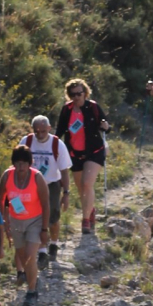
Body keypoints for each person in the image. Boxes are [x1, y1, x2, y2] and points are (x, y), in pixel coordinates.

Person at [55, 78, 110, 235]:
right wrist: (51, 146)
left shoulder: (92, 107)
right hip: (74, 153)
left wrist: (106, 126)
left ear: (85, 93)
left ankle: (85, 220)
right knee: (81, 189)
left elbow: (106, 125)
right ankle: (90, 210)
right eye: (73, 94)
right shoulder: (67, 110)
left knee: (86, 183)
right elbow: (59, 131)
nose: (76, 97)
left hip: (94, 151)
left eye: (79, 93)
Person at [0, 145, 50, 306]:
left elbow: (46, 204)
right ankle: (31, 279)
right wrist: (3, 220)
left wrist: (44, 229)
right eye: (17, 163)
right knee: (21, 256)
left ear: (29, 163)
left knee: (29, 256)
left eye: (23, 163)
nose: (20, 167)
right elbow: (0, 200)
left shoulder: (37, 178)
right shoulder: (7, 176)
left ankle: (32, 291)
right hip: (16, 221)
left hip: (35, 220)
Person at [21, 115, 71, 266]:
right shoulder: (26, 142)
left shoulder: (57, 144)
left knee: (53, 219)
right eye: (37, 132)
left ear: (49, 129)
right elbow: (17, 165)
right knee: (36, 219)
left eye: (43, 131)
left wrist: (66, 193)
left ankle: (54, 243)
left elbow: (64, 171)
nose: (40, 135)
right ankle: (42, 252)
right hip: (32, 184)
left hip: (52, 184)